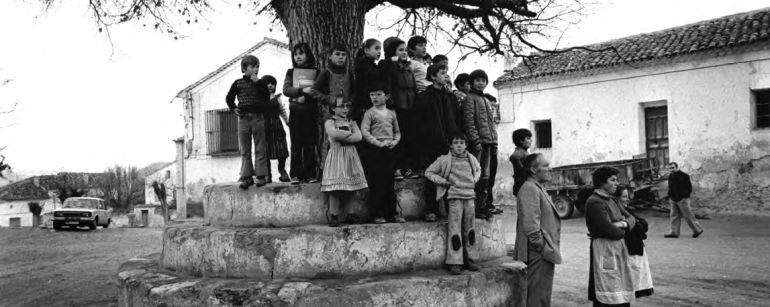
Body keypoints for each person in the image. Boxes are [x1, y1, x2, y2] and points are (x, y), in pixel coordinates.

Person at [586, 166, 653, 306]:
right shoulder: (595, 202)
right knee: (606, 291)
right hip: (604, 251)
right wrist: (623, 227)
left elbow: (633, 218)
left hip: (619, 251)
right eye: (613, 180)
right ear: (602, 182)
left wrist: (621, 224)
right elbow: (611, 231)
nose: (617, 183)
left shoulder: (612, 200)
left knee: (621, 290)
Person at [424, 133, 481, 275]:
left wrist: (475, 179)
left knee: (470, 230)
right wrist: (443, 182)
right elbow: (429, 172)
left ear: (466, 145)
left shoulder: (471, 158)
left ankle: (471, 259)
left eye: (462, 142)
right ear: (451, 145)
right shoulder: (444, 160)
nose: (459, 145)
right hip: (455, 199)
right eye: (456, 142)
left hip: (470, 198)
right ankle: (455, 262)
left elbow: (479, 169)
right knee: (455, 230)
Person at [514, 153, 562, 307]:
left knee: (542, 294)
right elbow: (531, 224)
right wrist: (542, 247)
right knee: (538, 297)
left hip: (542, 251)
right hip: (538, 252)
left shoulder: (537, 187)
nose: (550, 168)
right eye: (546, 166)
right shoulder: (529, 189)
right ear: (534, 170)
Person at [415, 64, 459, 222]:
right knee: (431, 177)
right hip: (431, 143)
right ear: (433, 76)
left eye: (446, 73)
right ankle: (431, 210)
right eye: (442, 73)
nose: (445, 76)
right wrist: (430, 136)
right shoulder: (424, 96)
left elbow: (453, 119)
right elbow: (421, 122)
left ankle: (450, 208)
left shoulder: (448, 96)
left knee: (450, 176)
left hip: (449, 143)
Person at [225, 55, 274, 189]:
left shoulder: (261, 83)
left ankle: (261, 176)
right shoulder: (238, 83)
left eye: (257, 66)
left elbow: (265, 97)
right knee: (245, 149)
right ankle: (246, 176)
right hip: (243, 119)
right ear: (244, 68)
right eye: (252, 67)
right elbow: (229, 98)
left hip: (258, 118)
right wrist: (234, 108)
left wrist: (257, 82)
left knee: (260, 147)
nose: (255, 69)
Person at [360, 82, 406, 224]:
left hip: (389, 150)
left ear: (387, 96)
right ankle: (377, 213)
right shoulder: (369, 113)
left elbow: (397, 132)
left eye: (378, 94)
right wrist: (378, 143)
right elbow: (365, 131)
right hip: (375, 151)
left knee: (389, 182)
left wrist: (395, 141)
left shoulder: (392, 113)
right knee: (377, 182)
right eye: (372, 95)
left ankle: (391, 213)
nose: (375, 97)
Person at [321, 96, 367, 227]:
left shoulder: (352, 122)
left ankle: (350, 213)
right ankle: (333, 214)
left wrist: (342, 136)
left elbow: (358, 137)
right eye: (341, 106)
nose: (345, 109)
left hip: (350, 157)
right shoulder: (330, 122)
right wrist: (348, 135)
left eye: (347, 106)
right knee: (336, 187)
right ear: (333, 108)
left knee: (351, 186)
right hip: (337, 157)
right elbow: (333, 135)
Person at [311, 43, 354, 176]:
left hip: (346, 113)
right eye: (337, 54)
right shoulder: (326, 72)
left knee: (346, 138)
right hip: (331, 113)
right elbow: (314, 91)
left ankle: (345, 171)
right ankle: (328, 171)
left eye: (343, 55)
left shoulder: (348, 72)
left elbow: (354, 90)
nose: (341, 57)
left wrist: (351, 101)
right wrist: (329, 99)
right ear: (330, 56)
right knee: (330, 140)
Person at [462, 69, 500, 218]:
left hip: (489, 143)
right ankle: (475, 209)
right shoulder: (469, 99)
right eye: (477, 80)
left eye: (483, 80)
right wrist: (475, 140)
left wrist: (494, 142)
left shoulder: (485, 100)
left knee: (486, 177)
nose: (480, 83)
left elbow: (491, 124)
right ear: (471, 82)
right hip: (477, 144)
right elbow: (469, 122)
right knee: (476, 177)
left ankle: (483, 206)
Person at [382, 37, 419, 180]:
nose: (404, 53)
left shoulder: (409, 68)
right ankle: (396, 168)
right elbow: (388, 86)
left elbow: (414, 87)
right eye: (400, 50)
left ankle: (408, 168)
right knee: (397, 140)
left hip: (410, 107)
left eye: (405, 50)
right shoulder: (390, 66)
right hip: (397, 107)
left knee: (410, 138)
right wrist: (391, 105)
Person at [283, 43, 319, 183]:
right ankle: (295, 174)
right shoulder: (291, 72)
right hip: (295, 112)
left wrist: (308, 95)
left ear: (308, 54)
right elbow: (286, 89)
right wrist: (300, 91)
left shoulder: (316, 72)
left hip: (310, 112)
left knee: (310, 144)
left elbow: (320, 89)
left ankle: (310, 174)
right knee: (296, 144)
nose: (298, 56)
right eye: (295, 54)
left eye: (301, 53)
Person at [260, 75, 291, 183]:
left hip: (277, 126)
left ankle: (282, 170)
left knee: (281, 149)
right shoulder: (260, 98)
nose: (270, 85)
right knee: (266, 150)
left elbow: (282, 111)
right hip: (265, 127)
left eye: (272, 84)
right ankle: (267, 174)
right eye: (268, 83)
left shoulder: (277, 98)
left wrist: (287, 121)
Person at [664, 162, 704, 238]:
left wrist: (684, 196)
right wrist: (670, 195)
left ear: (676, 167)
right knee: (674, 216)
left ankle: (697, 230)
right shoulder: (670, 176)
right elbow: (670, 186)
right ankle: (674, 232)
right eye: (670, 168)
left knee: (688, 215)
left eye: (672, 167)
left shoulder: (684, 176)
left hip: (682, 199)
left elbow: (689, 188)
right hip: (673, 199)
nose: (671, 169)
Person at [352, 38, 384, 124]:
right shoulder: (363, 64)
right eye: (376, 48)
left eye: (380, 49)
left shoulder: (372, 65)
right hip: (363, 105)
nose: (379, 51)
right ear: (366, 50)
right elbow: (371, 79)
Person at [510, 128, 533, 196]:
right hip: (522, 186)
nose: (531, 140)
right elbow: (514, 157)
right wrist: (524, 171)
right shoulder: (520, 152)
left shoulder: (524, 152)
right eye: (528, 138)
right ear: (521, 141)